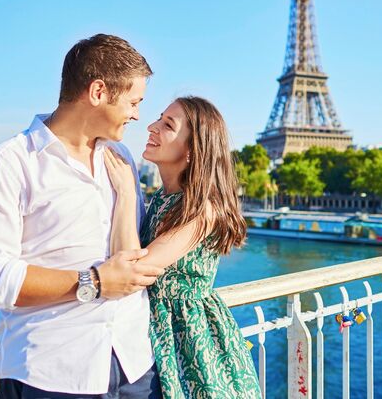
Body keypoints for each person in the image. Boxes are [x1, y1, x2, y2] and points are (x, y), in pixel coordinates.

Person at [0, 34, 165, 399]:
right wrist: (94, 281)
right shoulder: (5, 165)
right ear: (98, 92)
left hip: (136, 365)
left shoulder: (121, 159)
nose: (136, 115)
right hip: (53, 375)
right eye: (133, 102)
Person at [103, 96, 262, 399]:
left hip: (190, 342)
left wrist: (125, 193)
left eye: (167, 125)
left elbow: (134, 269)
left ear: (191, 150)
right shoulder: (163, 199)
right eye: (159, 118)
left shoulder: (204, 210)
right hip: (158, 334)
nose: (151, 126)